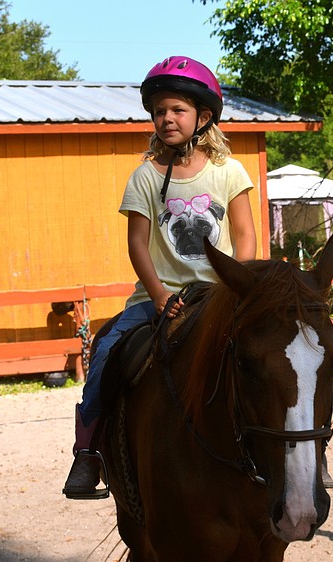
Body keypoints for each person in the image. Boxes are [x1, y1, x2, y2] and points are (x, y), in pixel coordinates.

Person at [62, 56, 257, 499]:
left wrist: (234, 286)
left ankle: (297, 454)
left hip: (221, 292)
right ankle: (88, 452)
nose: (166, 118)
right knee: (107, 351)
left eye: (178, 110)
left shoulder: (229, 172)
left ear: (203, 117)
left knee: (273, 353)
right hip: (160, 298)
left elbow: (245, 238)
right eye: (159, 111)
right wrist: (158, 294)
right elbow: (137, 244)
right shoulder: (146, 177)